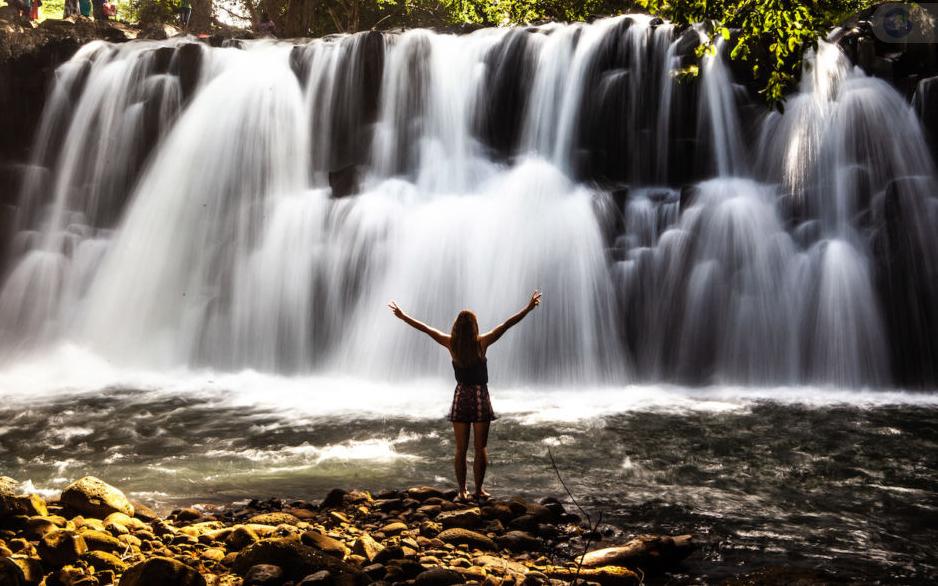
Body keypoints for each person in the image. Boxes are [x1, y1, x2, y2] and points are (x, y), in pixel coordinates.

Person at [388, 290, 542, 501]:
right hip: (479, 396)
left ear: (456, 327)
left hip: (461, 396)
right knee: (481, 448)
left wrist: (403, 316)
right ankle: (478, 490)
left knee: (461, 449)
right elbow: (507, 324)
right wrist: (528, 308)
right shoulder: (482, 342)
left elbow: (425, 329)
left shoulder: (450, 343)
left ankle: (462, 491)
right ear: (474, 327)